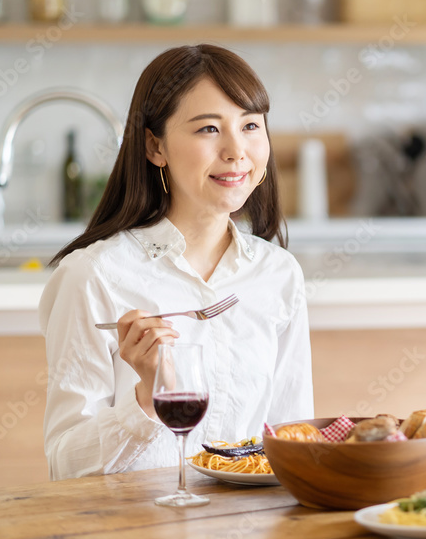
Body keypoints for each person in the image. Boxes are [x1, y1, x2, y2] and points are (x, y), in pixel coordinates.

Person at [40, 44, 313, 480]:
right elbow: (66, 464)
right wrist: (146, 397)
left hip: (248, 534)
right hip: (131, 538)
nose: (236, 150)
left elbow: (291, 436)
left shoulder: (278, 274)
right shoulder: (93, 276)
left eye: (250, 125)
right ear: (154, 146)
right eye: (208, 129)